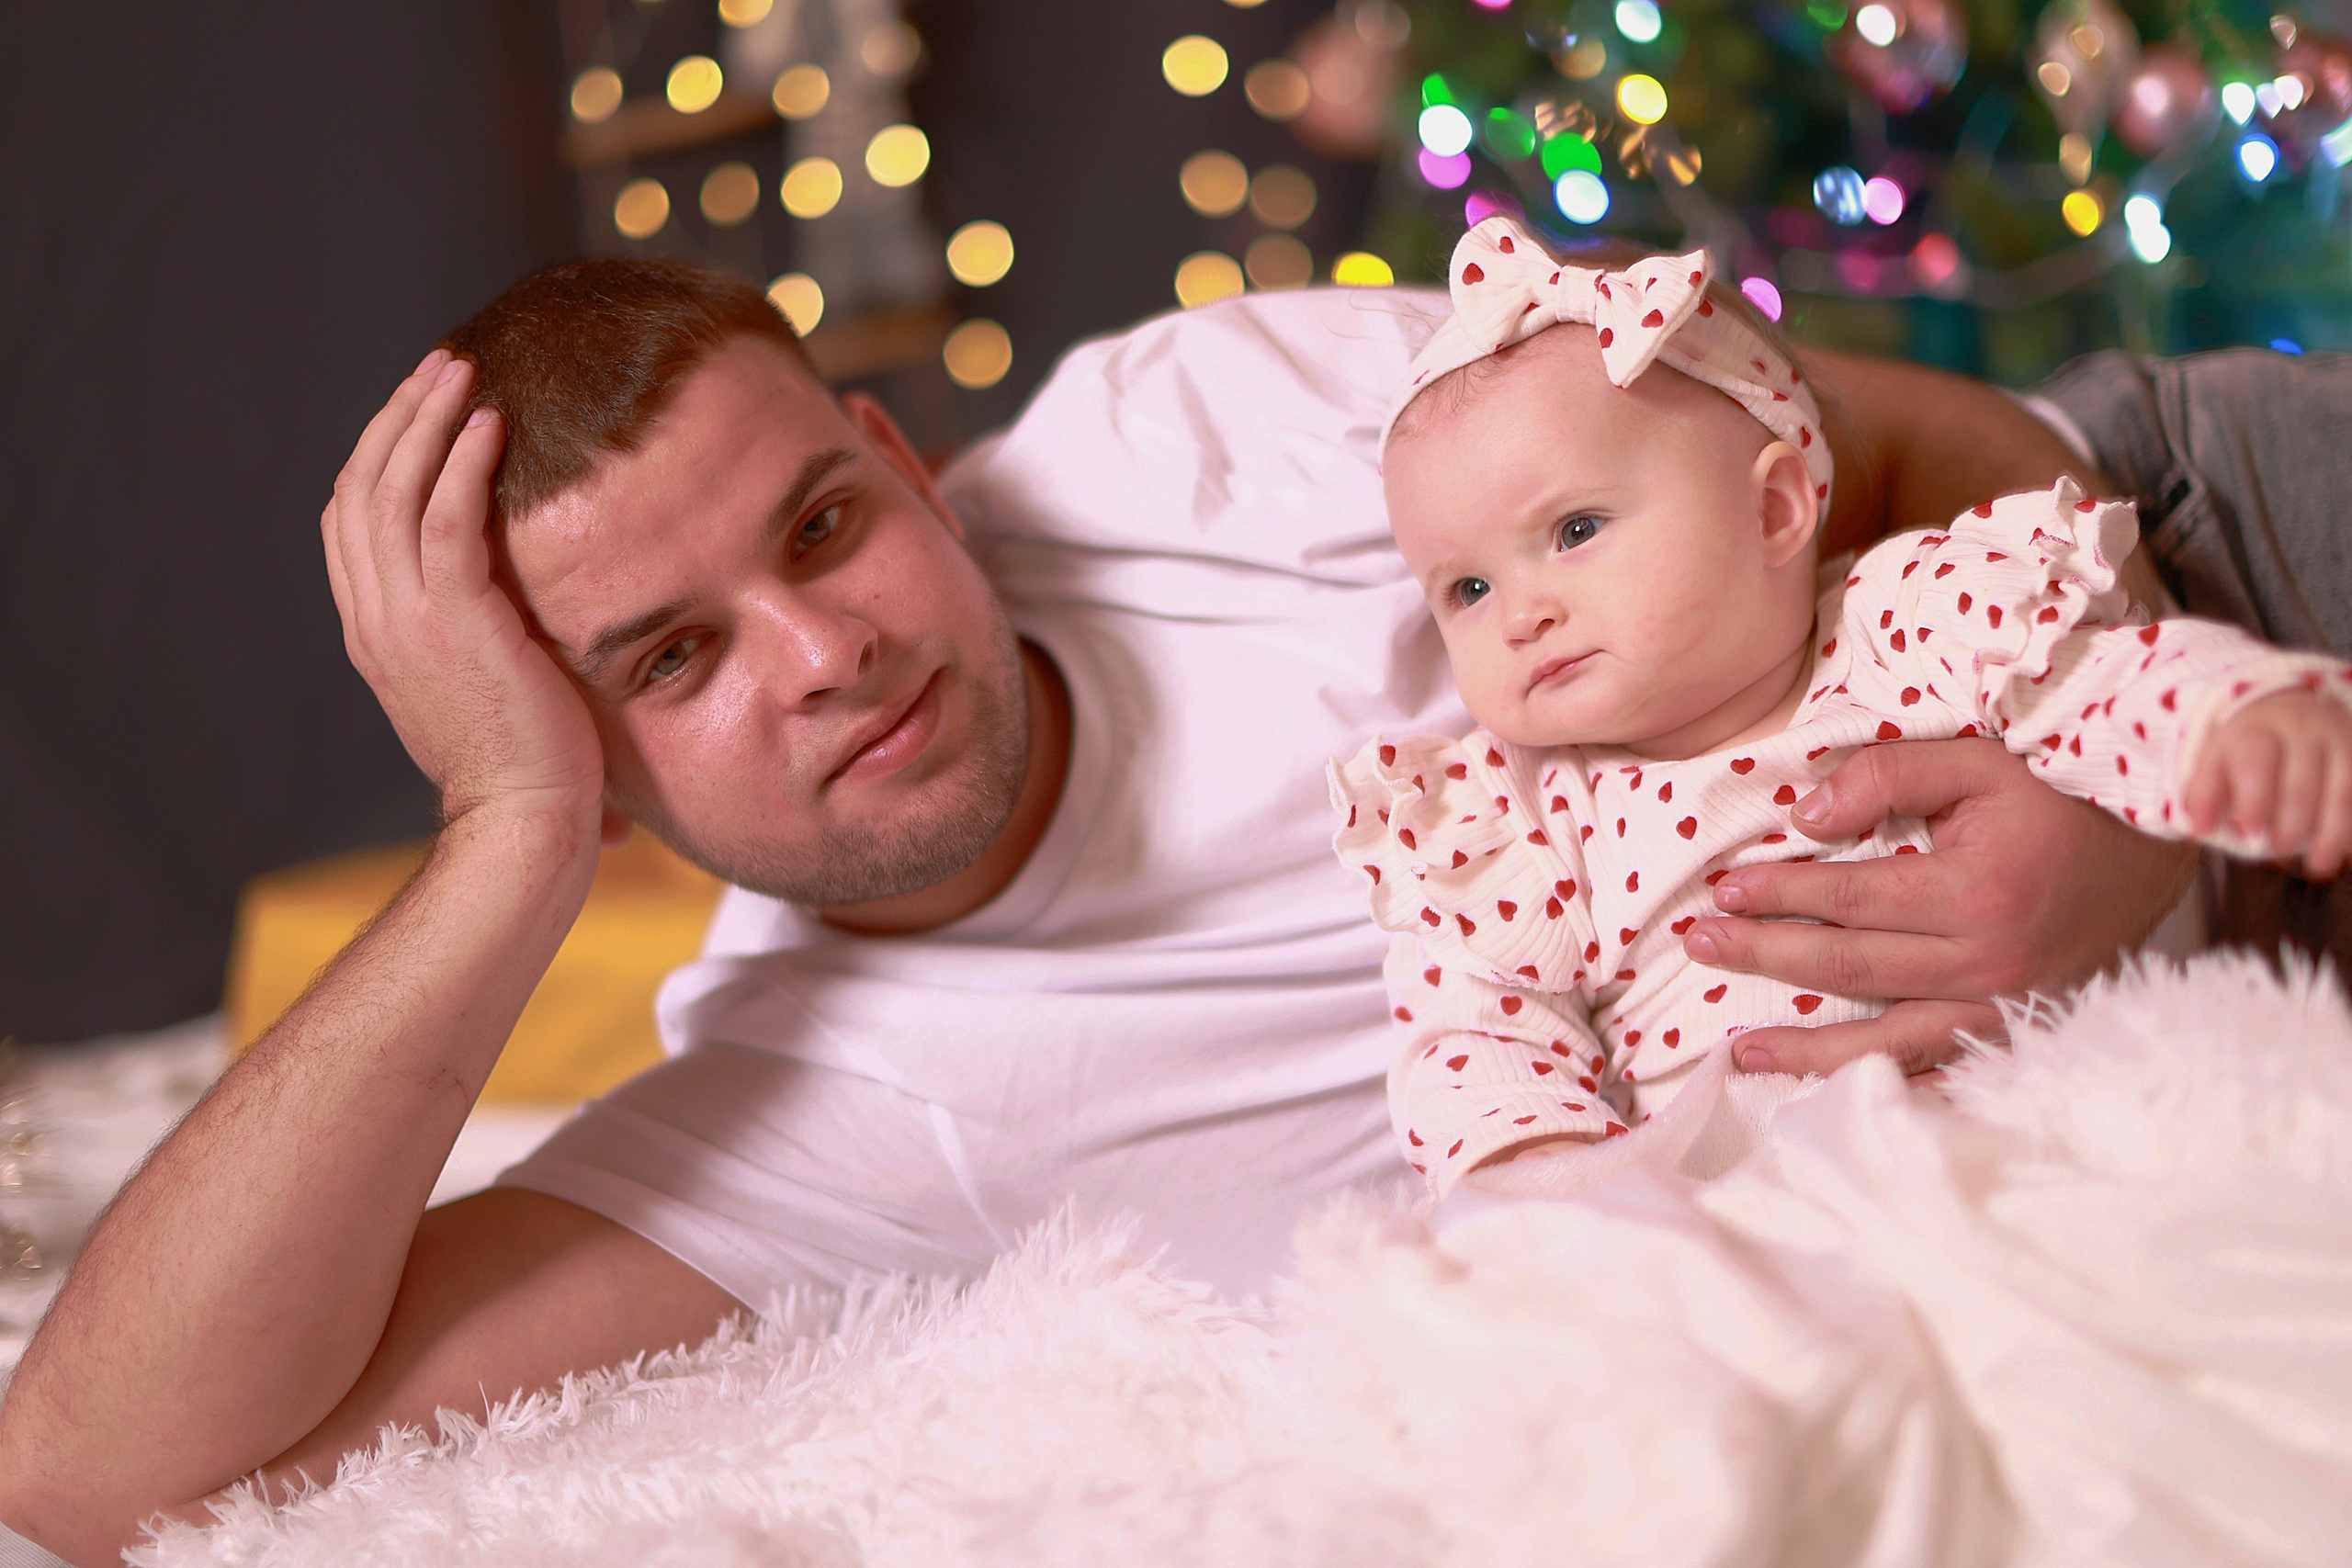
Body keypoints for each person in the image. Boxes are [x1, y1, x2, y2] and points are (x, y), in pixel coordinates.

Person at [0, 254, 2262, 1565]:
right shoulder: (817, 1116)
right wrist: (501, 818)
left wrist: (2132, 810)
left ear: (909, 468)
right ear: (587, 752)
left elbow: (1920, 441)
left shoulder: (1205, 428)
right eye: (663, 662)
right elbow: (91, 1462)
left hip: (2198, 539)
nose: (822, 654)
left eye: (817, 527)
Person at [1329, 218, 2352, 1189]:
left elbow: (2099, 680)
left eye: (1575, 530)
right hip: (1763, 1215)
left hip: (2060, 1135)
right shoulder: (1519, 824)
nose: (1520, 615)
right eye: (1466, 589)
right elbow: (1477, 1040)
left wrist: (2231, 720)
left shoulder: (1905, 615)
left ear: (1773, 509)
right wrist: (1548, 1194)